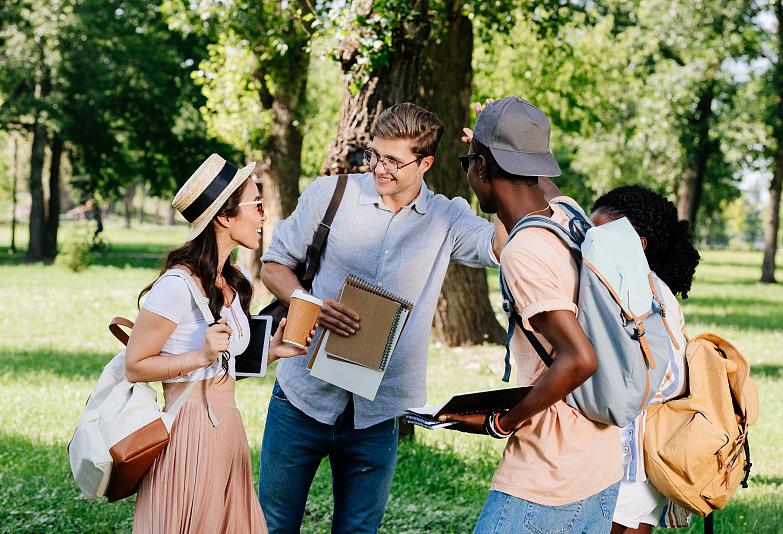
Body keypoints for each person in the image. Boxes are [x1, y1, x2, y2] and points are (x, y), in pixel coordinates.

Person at [258, 102, 504, 533]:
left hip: (376, 415)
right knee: (272, 525)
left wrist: (495, 163)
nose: (379, 168)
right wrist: (310, 302)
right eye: (374, 155)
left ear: (425, 162)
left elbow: (502, 249)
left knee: (358, 530)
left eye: (393, 160)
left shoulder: (447, 219)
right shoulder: (330, 194)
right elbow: (273, 264)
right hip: (301, 398)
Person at [440, 96, 623, 533]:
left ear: (482, 168)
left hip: (548, 469)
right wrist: (500, 138)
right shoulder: (571, 214)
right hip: (602, 460)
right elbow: (534, 182)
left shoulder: (524, 251)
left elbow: (579, 358)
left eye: (469, 163)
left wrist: (501, 422)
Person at [124, 154, 314, 534]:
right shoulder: (176, 285)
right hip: (189, 434)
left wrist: (272, 352)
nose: (263, 216)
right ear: (225, 217)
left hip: (228, 427)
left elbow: (221, 370)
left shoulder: (234, 277)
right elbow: (135, 365)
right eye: (256, 206)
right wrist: (198, 355)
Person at [590, 185, 700, 533]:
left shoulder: (646, 292)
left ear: (638, 244)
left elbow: (670, 374)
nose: (591, 244)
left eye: (601, 235)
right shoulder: (639, 286)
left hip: (634, 458)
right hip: (640, 459)